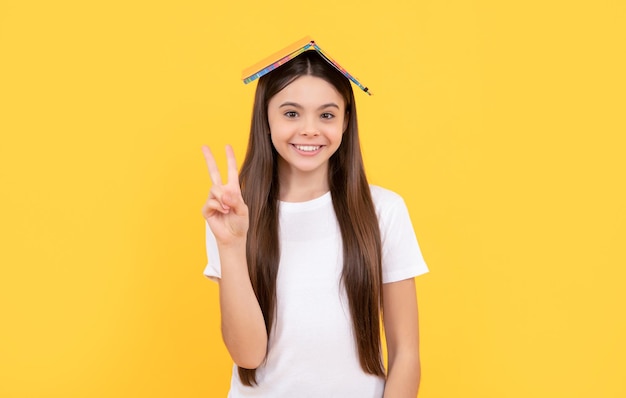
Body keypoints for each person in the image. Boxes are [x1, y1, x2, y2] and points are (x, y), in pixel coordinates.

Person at [202, 43, 428, 397]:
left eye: (326, 115)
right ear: (266, 117)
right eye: (291, 113)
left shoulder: (384, 211)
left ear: (345, 120)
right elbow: (248, 355)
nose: (310, 129)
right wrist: (231, 246)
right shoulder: (233, 215)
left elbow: (406, 355)